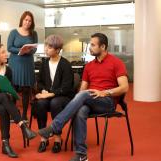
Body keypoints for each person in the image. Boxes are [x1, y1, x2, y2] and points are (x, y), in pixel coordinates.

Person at [38, 33, 129, 161]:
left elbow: (125, 87)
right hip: (90, 99)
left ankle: (54, 127)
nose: (89, 47)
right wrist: (79, 98)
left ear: (103, 46)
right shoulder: (89, 66)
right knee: (80, 109)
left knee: (85, 94)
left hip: (107, 102)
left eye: (92, 45)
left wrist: (105, 92)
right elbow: (82, 89)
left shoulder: (116, 62)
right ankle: (81, 154)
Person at [35, 35, 74, 153]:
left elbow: (66, 88)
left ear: (58, 50)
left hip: (63, 97)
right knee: (41, 103)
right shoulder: (44, 63)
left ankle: (57, 139)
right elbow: (40, 82)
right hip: (48, 96)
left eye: (50, 47)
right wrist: (43, 91)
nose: (46, 49)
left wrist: (50, 94)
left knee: (55, 103)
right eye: (46, 45)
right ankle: (43, 138)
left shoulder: (65, 64)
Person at [7, 11, 38, 121]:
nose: (27, 22)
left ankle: (24, 115)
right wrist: (20, 50)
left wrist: (28, 51)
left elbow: (35, 48)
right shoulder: (13, 32)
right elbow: (9, 48)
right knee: (13, 89)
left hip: (27, 63)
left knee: (26, 90)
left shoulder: (33, 33)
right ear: (22, 20)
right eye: (26, 20)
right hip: (15, 63)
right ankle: (14, 114)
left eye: (30, 21)